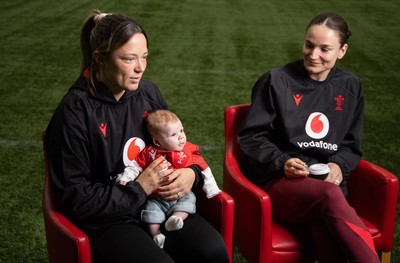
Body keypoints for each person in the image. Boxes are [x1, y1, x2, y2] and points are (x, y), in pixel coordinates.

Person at [45, 9, 229, 263]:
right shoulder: (75, 111)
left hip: (161, 207)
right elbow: (75, 198)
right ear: (99, 58)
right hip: (108, 223)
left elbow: (177, 145)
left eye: (144, 57)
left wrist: (192, 174)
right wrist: (139, 188)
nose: (140, 68)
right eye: (129, 59)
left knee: (213, 251)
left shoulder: (148, 93)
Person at [237, 12, 380, 263]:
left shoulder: (351, 86)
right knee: (329, 196)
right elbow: (251, 137)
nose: (313, 55)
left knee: (329, 236)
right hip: (280, 183)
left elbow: (351, 144)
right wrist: (282, 162)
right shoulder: (276, 81)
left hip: (327, 187)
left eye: (325, 49)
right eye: (309, 45)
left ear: (342, 51)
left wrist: (338, 164)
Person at [116, 109, 221, 249]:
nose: (181, 137)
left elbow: (204, 168)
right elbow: (135, 166)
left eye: (181, 131)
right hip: (157, 197)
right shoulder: (150, 152)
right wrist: (125, 178)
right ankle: (156, 234)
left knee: (190, 200)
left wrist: (212, 189)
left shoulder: (188, 150)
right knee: (150, 211)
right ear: (157, 142)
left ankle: (176, 218)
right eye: (173, 134)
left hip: (181, 195)